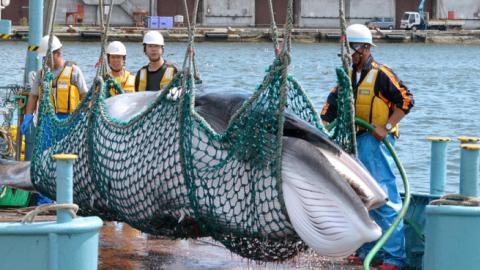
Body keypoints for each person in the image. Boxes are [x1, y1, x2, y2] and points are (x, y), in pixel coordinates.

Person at [320, 24, 414, 270]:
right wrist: (321, 129)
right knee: (360, 197)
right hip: (353, 140)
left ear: (363, 48)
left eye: (350, 48)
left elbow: (406, 99)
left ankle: (394, 258)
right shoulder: (347, 76)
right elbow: (330, 107)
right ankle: (367, 250)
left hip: (375, 143)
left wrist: (387, 126)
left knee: (383, 196)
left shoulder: (381, 74)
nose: (347, 54)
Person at [21, 35, 89, 134]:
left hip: (70, 119)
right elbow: (33, 96)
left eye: (48, 57)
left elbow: (84, 95)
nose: (46, 61)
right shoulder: (41, 74)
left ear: (58, 53)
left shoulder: (74, 71)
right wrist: (28, 116)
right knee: (46, 148)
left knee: (68, 149)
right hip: (48, 121)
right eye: (44, 57)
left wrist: (84, 114)